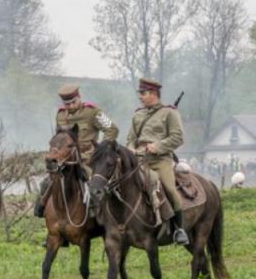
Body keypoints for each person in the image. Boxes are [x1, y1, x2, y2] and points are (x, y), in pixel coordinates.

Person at [34, 83, 119, 218]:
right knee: (47, 182)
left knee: (93, 185)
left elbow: (112, 130)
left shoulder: (92, 111)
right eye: (68, 104)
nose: (71, 106)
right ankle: (47, 218)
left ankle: (99, 219)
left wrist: (101, 150)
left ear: (79, 97)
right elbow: (59, 137)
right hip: (67, 160)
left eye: (74, 102)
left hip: (88, 159)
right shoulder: (60, 115)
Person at [126, 78, 189, 245]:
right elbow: (130, 139)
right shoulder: (138, 114)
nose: (140, 97)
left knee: (169, 189)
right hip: (138, 159)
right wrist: (131, 149)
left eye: (143, 93)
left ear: (154, 94)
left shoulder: (170, 113)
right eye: (140, 93)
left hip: (159, 160)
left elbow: (178, 137)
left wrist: (159, 146)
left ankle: (179, 229)